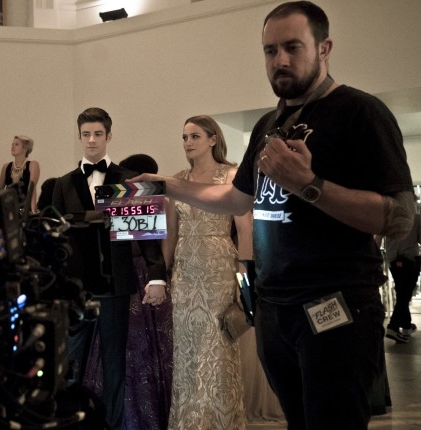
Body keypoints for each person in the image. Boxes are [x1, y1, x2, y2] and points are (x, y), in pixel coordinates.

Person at [129, 2, 415, 428]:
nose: (280, 59)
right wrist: (165, 185)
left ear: (324, 48)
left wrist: (309, 184)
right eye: (270, 50)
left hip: (336, 305)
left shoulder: (360, 112)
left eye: (292, 47)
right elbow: (236, 199)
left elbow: (400, 218)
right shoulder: (268, 125)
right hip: (275, 309)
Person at [52, 107, 167, 430]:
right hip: (76, 288)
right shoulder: (63, 184)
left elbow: (147, 236)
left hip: (115, 284)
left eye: (98, 134)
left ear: (109, 135)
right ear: (79, 136)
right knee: (70, 362)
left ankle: (113, 425)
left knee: (114, 363)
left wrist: (157, 275)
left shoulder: (129, 179)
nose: (91, 140)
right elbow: (56, 241)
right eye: (86, 134)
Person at [163, 116, 251, 429]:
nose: (188, 142)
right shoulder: (177, 180)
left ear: (213, 139)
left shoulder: (232, 175)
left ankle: (220, 422)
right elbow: (170, 234)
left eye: (195, 136)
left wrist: (243, 278)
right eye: (184, 137)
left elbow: (245, 228)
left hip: (219, 269)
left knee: (218, 347)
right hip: (185, 271)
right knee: (186, 351)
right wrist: (162, 275)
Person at [83, 153, 174, 430]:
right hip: (122, 279)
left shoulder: (157, 203)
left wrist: (156, 278)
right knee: (120, 349)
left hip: (143, 281)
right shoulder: (124, 202)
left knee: (141, 349)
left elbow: (162, 251)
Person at [383, 211, 421, 343]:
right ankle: (393, 327)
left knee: (402, 293)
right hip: (409, 259)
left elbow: (379, 238)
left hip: (393, 260)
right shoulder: (416, 218)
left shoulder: (389, 216)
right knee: (405, 295)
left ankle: (406, 326)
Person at [0, 135, 40, 213]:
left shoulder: (33, 165)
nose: (13, 147)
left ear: (25, 149)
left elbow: (31, 188)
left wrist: (33, 210)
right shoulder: (6, 166)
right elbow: (0, 188)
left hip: (25, 209)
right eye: (12, 144)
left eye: (16, 144)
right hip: (8, 209)